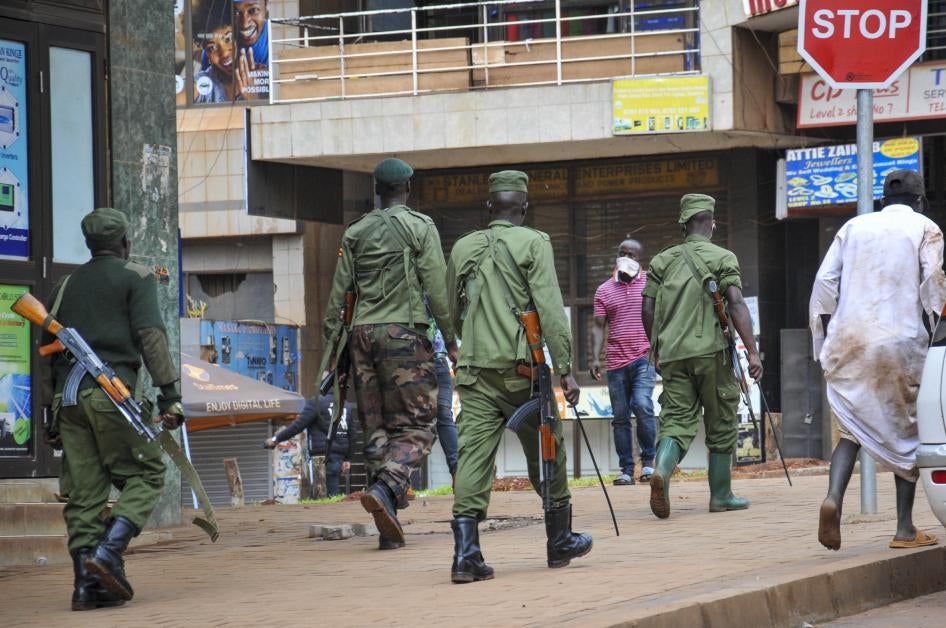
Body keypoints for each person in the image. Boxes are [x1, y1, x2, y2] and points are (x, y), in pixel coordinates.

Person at [445, 170, 591, 584]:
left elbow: (451, 308)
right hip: (522, 374)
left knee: (473, 456)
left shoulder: (463, 246)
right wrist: (566, 369)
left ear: (488, 207)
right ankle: (559, 540)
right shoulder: (534, 242)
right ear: (525, 207)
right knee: (548, 446)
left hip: (475, 372)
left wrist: (470, 339)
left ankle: (465, 556)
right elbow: (550, 309)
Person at [42, 208, 184, 609]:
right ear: (124, 242)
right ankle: (109, 552)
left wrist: (48, 413)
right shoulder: (136, 276)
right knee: (148, 472)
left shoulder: (65, 285)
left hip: (69, 400)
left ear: (88, 244)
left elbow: (45, 351)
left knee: (84, 493)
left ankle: (86, 587)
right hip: (111, 394)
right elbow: (151, 336)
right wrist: (169, 394)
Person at [322, 157, 456, 550]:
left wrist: (333, 346)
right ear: (408, 189)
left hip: (360, 337)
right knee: (419, 425)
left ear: (377, 191)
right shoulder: (420, 226)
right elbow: (437, 287)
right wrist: (450, 337)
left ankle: (389, 527)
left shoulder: (356, 231)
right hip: (403, 334)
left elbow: (338, 295)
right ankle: (384, 490)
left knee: (376, 427)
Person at [810, 169, 946, 551]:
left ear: (883, 200)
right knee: (908, 432)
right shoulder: (926, 228)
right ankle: (904, 529)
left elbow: (824, 284)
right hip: (901, 343)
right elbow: (933, 284)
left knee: (852, 427)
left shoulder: (852, 227)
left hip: (849, 340)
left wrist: (824, 338)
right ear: (920, 200)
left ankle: (833, 498)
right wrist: (936, 329)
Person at [641, 194, 762, 519]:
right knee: (721, 420)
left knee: (676, 420)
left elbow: (647, 307)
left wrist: (657, 349)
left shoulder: (662, 261)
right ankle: (721, 495)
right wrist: (752, 352)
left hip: (673, 355)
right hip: (712, 353)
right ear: (712, 224)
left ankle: (662, 471)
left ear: (683, 226)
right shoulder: (722, 257)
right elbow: (736, 303)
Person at [591, 239, 657, 485]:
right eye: (622, 253)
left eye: (632, 255)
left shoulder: (651, 283)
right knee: (620, 417)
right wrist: (594, 357)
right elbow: (598, 326)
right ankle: (626, 470)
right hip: (616, 362)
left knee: (642, 404)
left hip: (644, 357)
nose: (626, 258)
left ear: (640, 259)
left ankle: (648, 463)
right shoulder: (604, 290)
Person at [264, 391, 357, 497]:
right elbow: (352, 434)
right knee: (332, 492)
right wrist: (348, 458)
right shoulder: (345, 405)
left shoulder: (316, 402)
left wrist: (276, 439)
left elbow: (298, 426)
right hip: (338, 457)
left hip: (321, 457)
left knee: (322, 493)